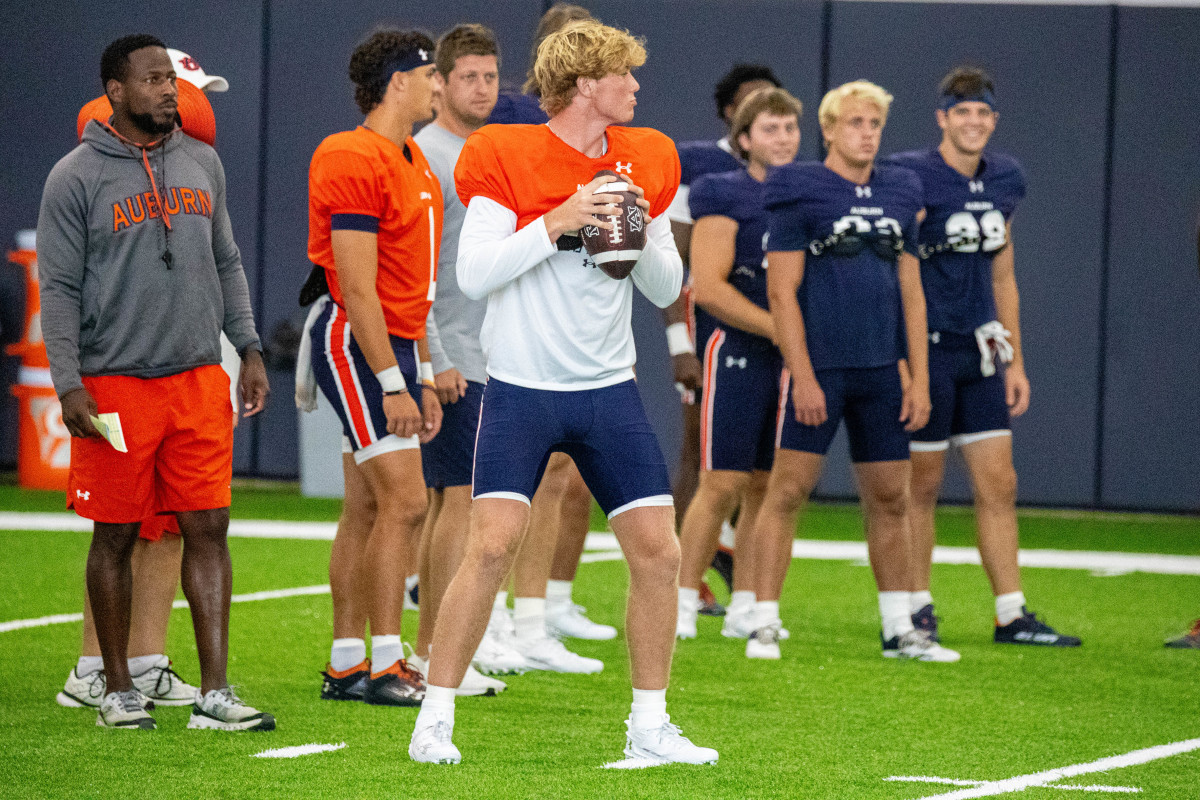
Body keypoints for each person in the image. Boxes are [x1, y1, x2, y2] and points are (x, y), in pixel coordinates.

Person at [408, 20, 716, 766]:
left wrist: (631, 232)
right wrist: (558, 221)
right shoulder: (506, 157)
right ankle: (435, 716)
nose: (637, 87)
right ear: (586, 84)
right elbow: (475, 274)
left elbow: (671, 287)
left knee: (657, 552)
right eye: (625, 75)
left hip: (608, 390)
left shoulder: (642, 160)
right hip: (522, 388)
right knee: (490, 549)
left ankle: (649, 725)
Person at [38, 34, 272, 730]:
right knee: (114, 535)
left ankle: (215, 694)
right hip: (115, 384)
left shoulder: (203, 162)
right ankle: (113, 687)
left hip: (198, 378)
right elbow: (57, 289)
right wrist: (67, 383)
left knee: (209, 528)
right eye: (152, 80)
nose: (169, 90)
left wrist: (250, 347)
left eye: (171, 79)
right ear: (115, 89)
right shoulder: (74, 176)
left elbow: (227, 260)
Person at [745, 80, 958, 663]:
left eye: (875, 124)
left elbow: (912, 292)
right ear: (830, 129)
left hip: (880, 373)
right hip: (824, 369)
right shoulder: (801, 188)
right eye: (856, 123)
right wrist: (804, 373)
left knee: (893, 496)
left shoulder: (900, 190)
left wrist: (917, 374)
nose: (866, 134)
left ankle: (899, 627)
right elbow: (781, 292)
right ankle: (763, 619)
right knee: (787, 491)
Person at [887, 67, 1080, 648]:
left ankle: (1010, 612)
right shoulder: (913, 177)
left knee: (1000, 483)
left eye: (983, 113)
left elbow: (1003, 270)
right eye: (962, 111)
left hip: (982, 352)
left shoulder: (1006, 178)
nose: (974, 122)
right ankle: (918, 607)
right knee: (921, 486)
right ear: (942, 118)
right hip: (931, 351)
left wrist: (1014, 358)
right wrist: (907, 365)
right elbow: (901, 272)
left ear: (993, 121)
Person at [308, 28, 443, 707]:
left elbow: (406, 288)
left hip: (391, 343)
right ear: (398, 82)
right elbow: (357, 289)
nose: (438, 87)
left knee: (366, 504)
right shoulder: (351, 154)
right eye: (430, 76)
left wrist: (420, 369)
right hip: (359, 342)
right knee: (407, 500)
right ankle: (387, 664)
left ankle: (344, 662)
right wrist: (394, 381)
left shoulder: (412, 157)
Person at [676, 87, 801, 641]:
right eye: (770, 129)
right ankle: (680, 599)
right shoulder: (721, 191)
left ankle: (749, 603)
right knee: (720, 482)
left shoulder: (806, 193)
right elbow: (708, 288)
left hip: (790, 359)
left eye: (790, 128)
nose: (783, 138)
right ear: (744, 138)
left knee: (768, 486)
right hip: (739, 352)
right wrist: (781, 328)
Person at [409, 23, 508, 695]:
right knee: (456, 501)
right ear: (440, 82)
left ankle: (435, 647)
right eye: (469, 76)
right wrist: (436, 358)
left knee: (463, 502)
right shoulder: (424, 154)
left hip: (489, 351)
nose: (482, 88)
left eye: (491, 76)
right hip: (451, 357)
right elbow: (413, 272)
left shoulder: (492, 151)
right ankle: (428, 651)